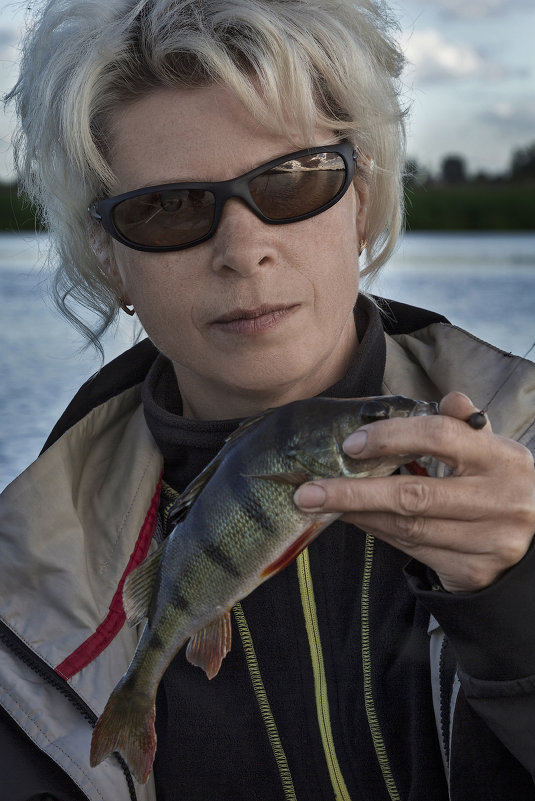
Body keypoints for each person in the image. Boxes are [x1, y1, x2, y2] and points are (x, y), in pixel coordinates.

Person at [1, 0, 534, 799]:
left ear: (361, 199)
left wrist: (516, 612)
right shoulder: (26, 589)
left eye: (291, 180)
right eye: (170, 206)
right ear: (110, 258)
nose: (243, 248)